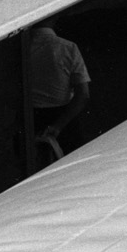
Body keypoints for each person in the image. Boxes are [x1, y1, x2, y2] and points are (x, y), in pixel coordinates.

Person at [28, 20, 90, 160]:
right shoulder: (68, 48)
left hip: (30, 117)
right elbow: (83, 94)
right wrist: (59, 125)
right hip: (64, 118)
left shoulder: (19, 52)